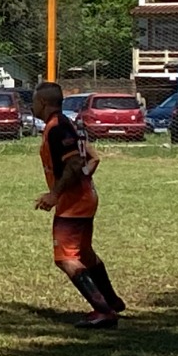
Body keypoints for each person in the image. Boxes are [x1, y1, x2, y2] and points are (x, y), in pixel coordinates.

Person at [32, 81, 125, 330]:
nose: (31, 105)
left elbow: (74, 164)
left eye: (33, 101)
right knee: (84, 254)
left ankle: (104, 311)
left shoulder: (57, 128)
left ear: (43, 103)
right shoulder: (68, 124)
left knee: (66, 258)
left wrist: (55, 194)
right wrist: (85, 179)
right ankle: (111, 301)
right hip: (85, 198)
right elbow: (93, 158)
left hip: (73, 202)